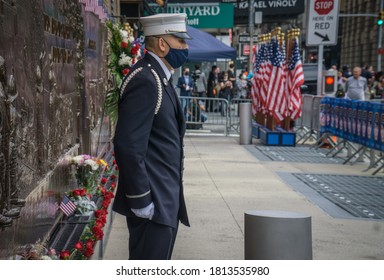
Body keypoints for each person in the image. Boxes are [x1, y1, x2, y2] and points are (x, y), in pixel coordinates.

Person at [112, 13, 190, 260]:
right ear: (163, 44)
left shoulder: (159, 77)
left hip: (165, 198)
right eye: (181, 42)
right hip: (152, 203)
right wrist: (141, 199)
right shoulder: (146, 79)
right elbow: (128, 146)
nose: (186, 48)